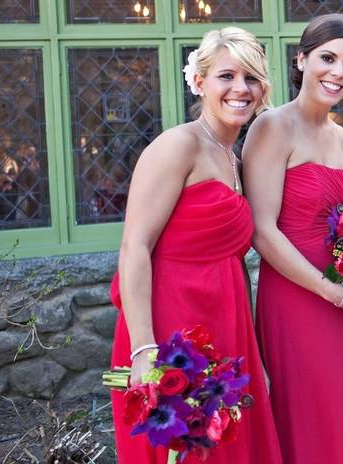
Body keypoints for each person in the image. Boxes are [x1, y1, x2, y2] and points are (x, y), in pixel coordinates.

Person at [109, 27, 282, 464]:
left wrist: (254, 352)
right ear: (200, 82)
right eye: (227, 76)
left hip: (226, 325)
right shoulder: (177, 146)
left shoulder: (234, 158)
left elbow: (235, 261)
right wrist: (145, 349)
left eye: (252, 78)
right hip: (171, 329)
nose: (241, 89)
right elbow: (135, 248)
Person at [243, 14, 343, 464]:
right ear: (301, 59)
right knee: (312, 415)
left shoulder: (342, 138)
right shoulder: (271, 127)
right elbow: (262, 232)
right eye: (327, 58)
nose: (338, 72)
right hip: (299, 297)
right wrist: (333, 293)